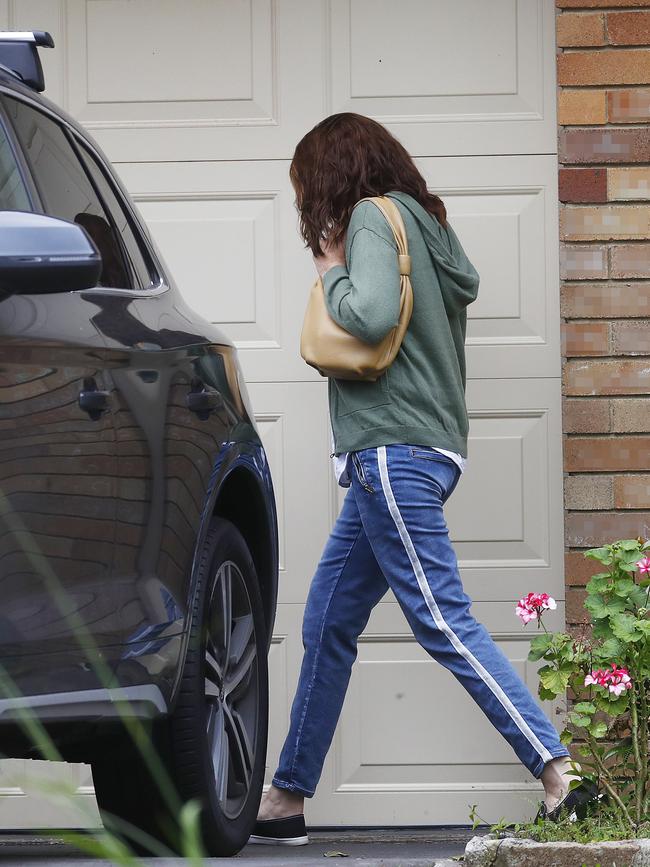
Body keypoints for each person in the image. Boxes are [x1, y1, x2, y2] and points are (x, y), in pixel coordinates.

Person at [249, 113, 597, 847]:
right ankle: (287, 796)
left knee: (441, 618)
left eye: (307, 185)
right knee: (327, 621)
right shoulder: (428, 227)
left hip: (392, 450)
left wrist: (329, 267)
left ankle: (558, 769)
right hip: (423, 449)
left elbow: (370, 318)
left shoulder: (375, 218)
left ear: (334, 173)